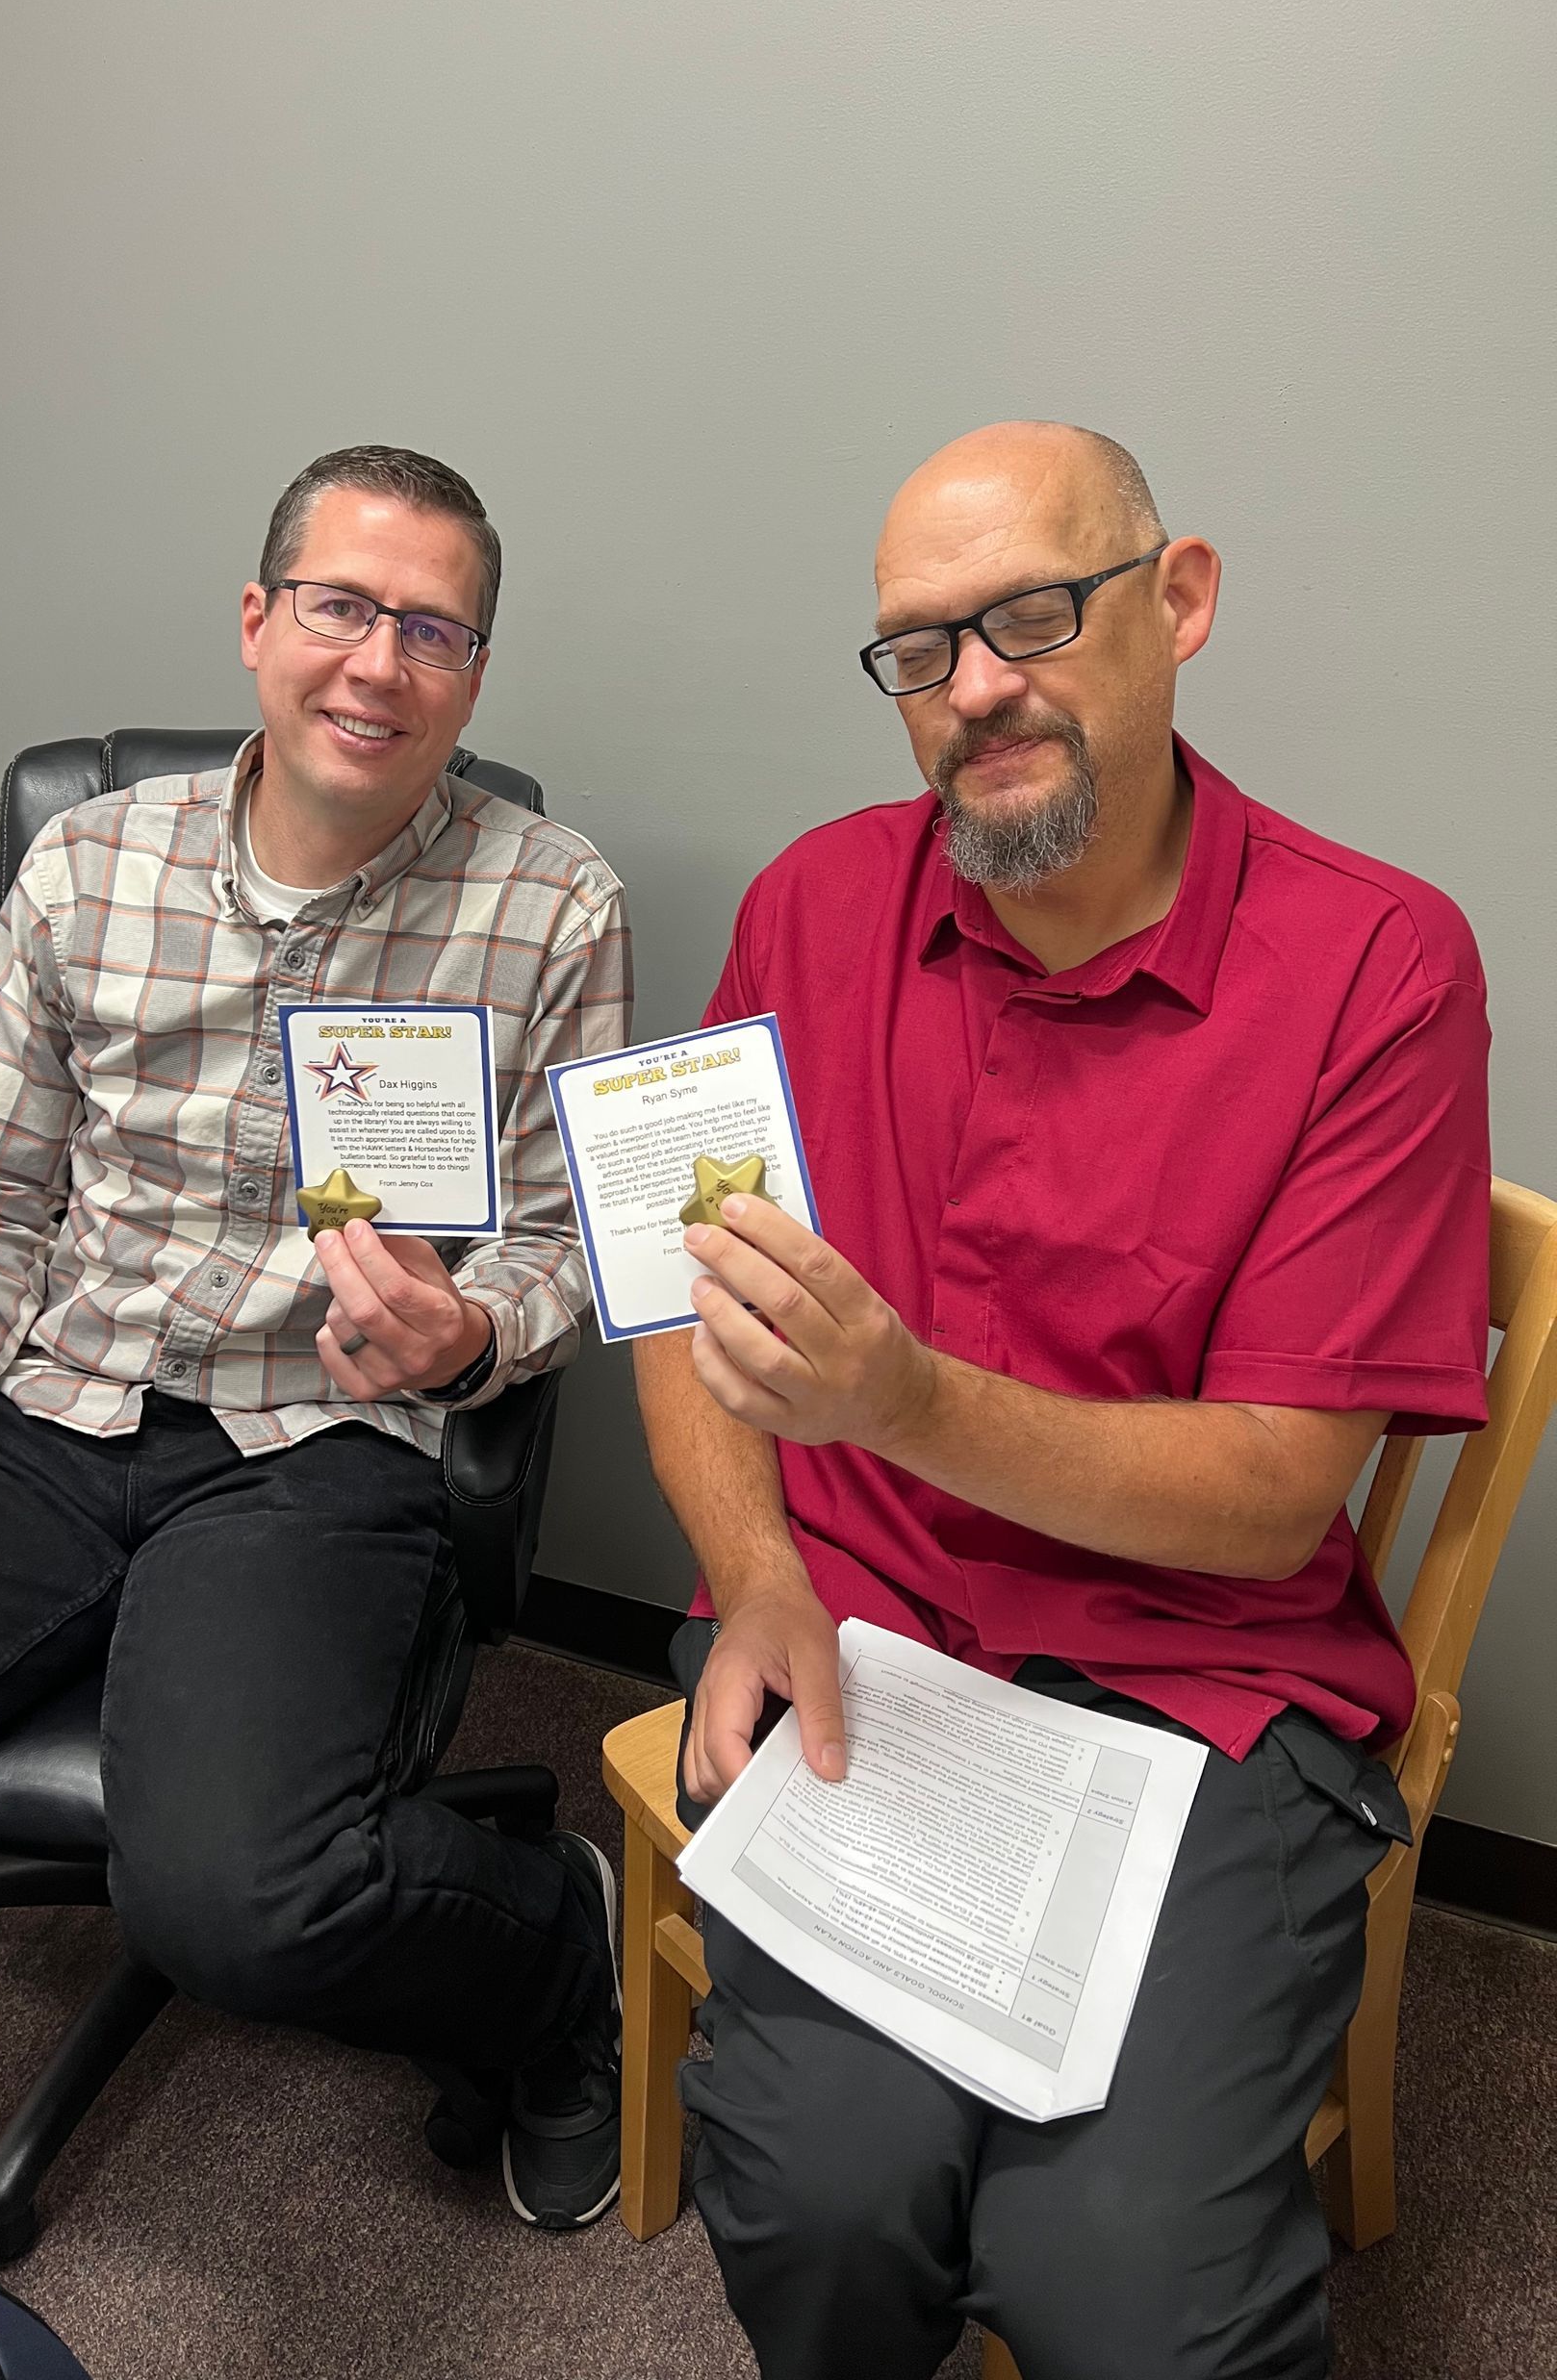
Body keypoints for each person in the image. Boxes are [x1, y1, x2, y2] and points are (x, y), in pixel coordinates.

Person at [0, 445, 632, 2380]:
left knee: (244, 1903)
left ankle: (551, 1943)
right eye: (341, 605)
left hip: (319, 1442)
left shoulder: (549, 903)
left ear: (478, 670)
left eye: (435, 628)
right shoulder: (90, 862)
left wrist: (465, 1332)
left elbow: (577, 1247)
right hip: (50, 1404)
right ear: (258, 617)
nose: (380, 662)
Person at [635, 420, 1491, 2380]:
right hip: (862, 1638)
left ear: (1177, 599)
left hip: (1205, 1683)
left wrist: (904, 1395)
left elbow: (1277, 1499)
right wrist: (753, 1566)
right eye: (920, 650)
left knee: (1122, 2284)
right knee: (824, 2201)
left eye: (1029, 613)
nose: (976, 689)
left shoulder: (1376, 965)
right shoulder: (811, 905)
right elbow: (670, 1300)